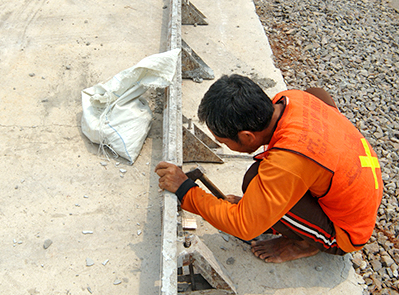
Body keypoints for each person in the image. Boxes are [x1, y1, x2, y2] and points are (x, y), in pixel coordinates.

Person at [155, 75, 383, 264]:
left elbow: (243, 226)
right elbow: (320, 95)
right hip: (356, 189)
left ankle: (305, 243)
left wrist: (186, 190)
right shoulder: (292, 99)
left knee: (255, 178)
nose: (226, 146)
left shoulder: (289, 161)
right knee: (265, 181)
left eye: (225, 142)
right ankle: (285, 214)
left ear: (246, 136)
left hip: (345, 231)